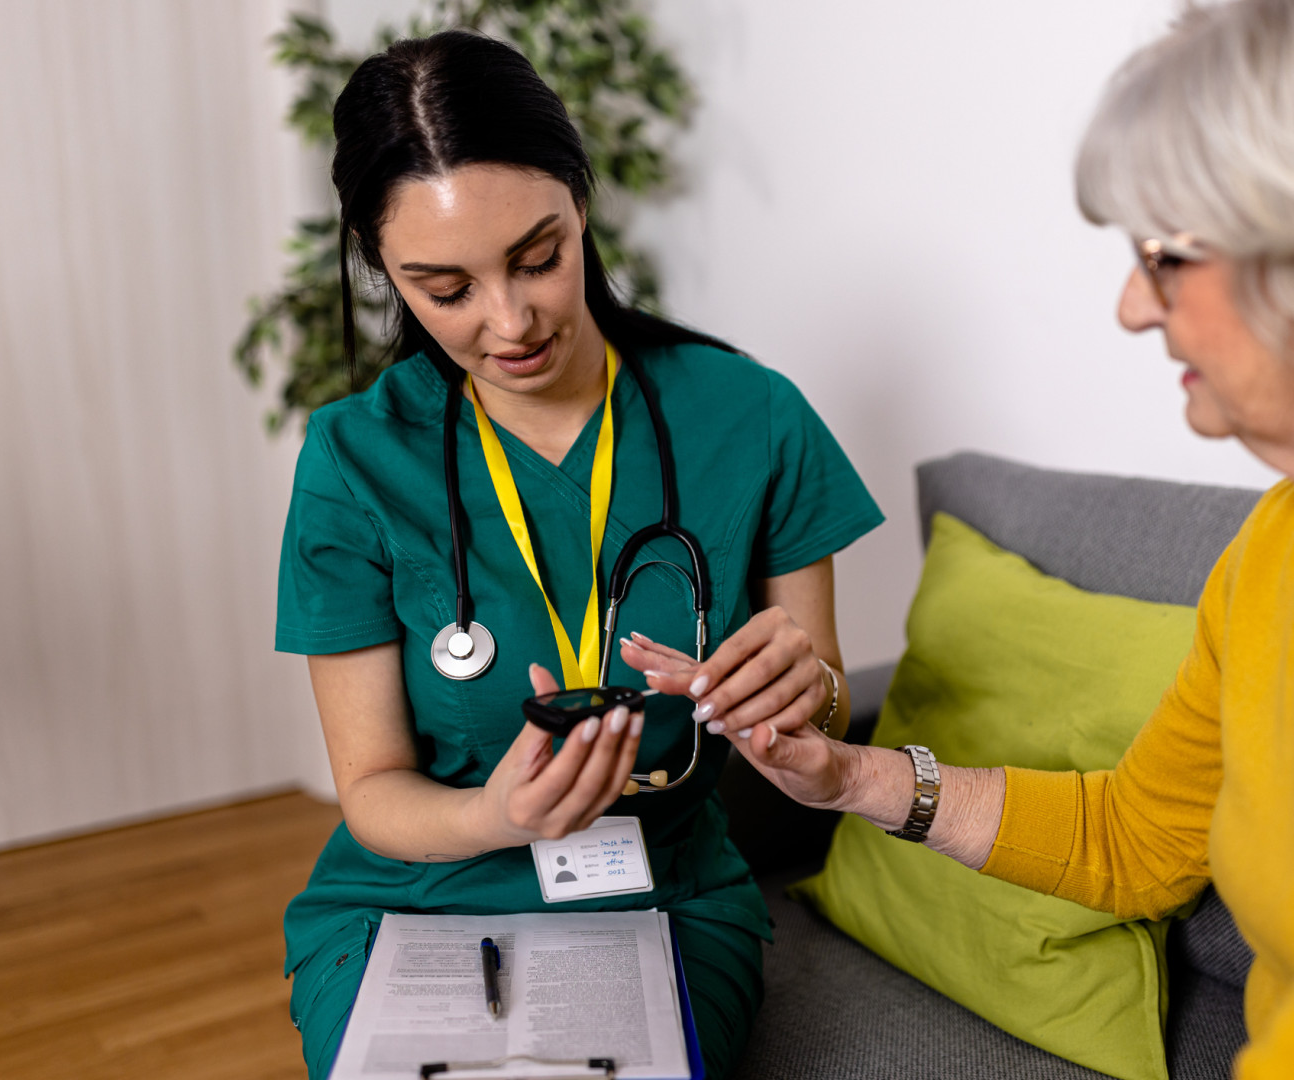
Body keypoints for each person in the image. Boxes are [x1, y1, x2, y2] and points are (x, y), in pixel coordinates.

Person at [634, 0, 1294, 1075]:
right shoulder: (1289, 535)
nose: (1133, 306)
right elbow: (1132, 838)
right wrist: (851, 780)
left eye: (1166, 256)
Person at [274, 30, 882, 1080]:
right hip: (423, 889)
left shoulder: (749, 416)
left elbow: (825, 710)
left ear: (581, 204)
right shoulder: (354, 458)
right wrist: (492, 813)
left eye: (537, 257)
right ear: (385, 272)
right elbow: (372, 787)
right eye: (445, 288)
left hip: (663, 890)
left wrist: (805, 692)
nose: (509, 321)